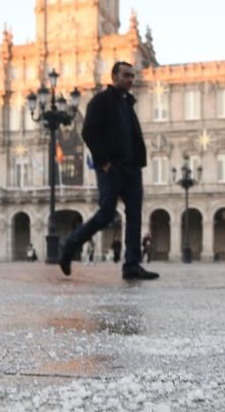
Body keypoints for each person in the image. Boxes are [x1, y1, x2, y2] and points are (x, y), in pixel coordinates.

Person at [58, 62, 158, 281]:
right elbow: (89, 132)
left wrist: (138, 162)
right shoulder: (101, 101)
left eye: (132, 76)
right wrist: (103, 163)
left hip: (131, 169)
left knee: (134, 216)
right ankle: (69, 246)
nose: (130, 80)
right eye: (125, 76)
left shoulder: (127, 103)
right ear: (114, 77)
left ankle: (131, 265)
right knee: (106, 214)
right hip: (112, 168)